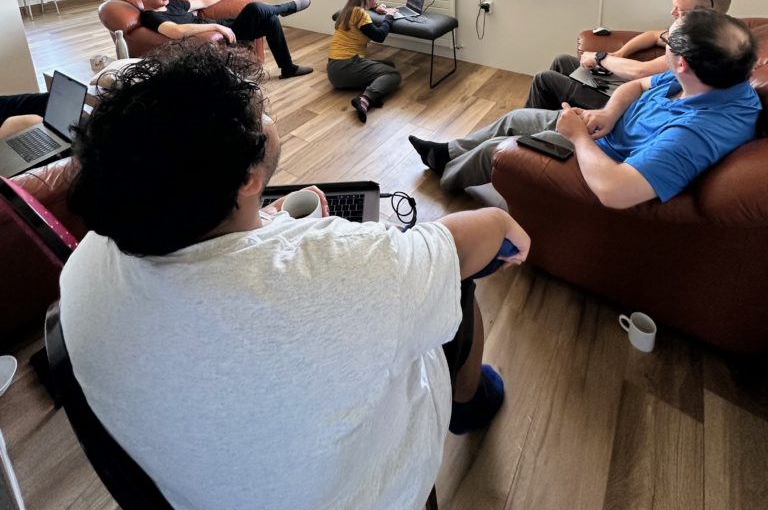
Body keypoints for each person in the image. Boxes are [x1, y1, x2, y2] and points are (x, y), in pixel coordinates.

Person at [59, 43, 531, 510]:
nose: (269, 120)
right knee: (457, 286)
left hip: (198, 483)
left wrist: (267, 224)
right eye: (259, 115)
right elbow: (464, 242)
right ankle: (469, 403)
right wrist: (499, 221)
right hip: (369, 491)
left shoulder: (84, 262)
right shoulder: (347, 270)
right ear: (247, 178)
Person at [410, 9, 759, 208]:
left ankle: (446, 181)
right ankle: (448, 152)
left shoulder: (696, 132)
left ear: (680, 63)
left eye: (666, 44)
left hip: (601, 159)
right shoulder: (713, 79)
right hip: (604, 129)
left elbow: (615, 191)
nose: (661, 46)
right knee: (516, 118)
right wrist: (608, 113)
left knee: (496, 151)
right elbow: (637, 84)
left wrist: (579, 139)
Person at [525, 0, 732, 110]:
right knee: (562, 61)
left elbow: (641, 72)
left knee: (544, 79)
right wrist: (619, 54)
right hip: (629, 86)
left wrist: (601, 58)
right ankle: (547, 124)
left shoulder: (698, 47)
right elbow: (652, 35)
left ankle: (522, 143)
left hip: (628, 104)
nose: (672, 13)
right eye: (674, 6)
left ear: (706, 14)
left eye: (681, 11)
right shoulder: (688, 29)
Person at [134, 0, 313, 79]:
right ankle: (285, 8)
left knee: (270, 20)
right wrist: (216, 28)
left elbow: (203, 1)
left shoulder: (172, 4)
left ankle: (287, 68)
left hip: (227, 28)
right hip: (220, 36)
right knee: (255, 8)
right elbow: (176, 31)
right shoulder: (150, 16)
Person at [327, 0, 401, 123]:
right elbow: (379, 36)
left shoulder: (348, 10)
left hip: (334, 68)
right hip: (347, 66)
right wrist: (389, 17)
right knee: (394, 74)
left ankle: (371, 92)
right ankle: (365, 99)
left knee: (389, 65)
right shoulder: (360, 14)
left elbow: (363, 19)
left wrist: (375, 7)